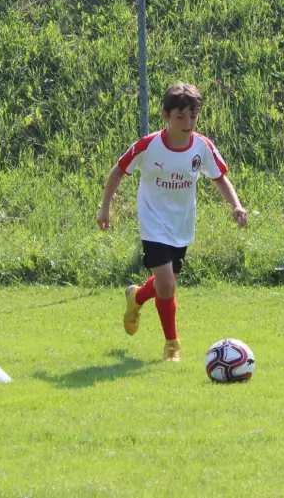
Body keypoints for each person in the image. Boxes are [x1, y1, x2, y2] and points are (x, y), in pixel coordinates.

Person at [97, 83, 248, 361]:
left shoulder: (202, 147)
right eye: (181, 117)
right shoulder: (149, 145)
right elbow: (118, 171)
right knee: (167, 283)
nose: (188, 123)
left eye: (193, 117)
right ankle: (171, 345)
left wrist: (236, 205)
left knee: (165, 284)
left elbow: (219, 178)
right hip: (153, 222)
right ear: (165, 116)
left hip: (182, 225)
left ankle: (136, 298)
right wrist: (105, 208)